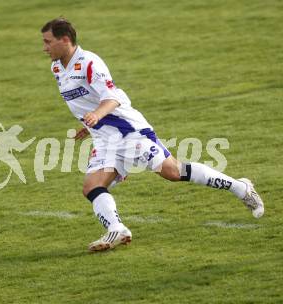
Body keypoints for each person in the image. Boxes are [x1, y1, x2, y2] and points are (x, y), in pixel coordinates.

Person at [41, 18, 264, 252]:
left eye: (48, 42)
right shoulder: (57, 68)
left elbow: (113, 97)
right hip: (104, 137)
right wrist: (90, 126)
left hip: (128, 131)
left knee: (172, 172)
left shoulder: (89, 63)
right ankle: (117, 230)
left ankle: (240, 187)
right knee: (91, 186)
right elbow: (85, 99)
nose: (44, 47)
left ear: (65, 40)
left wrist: (97, 115)